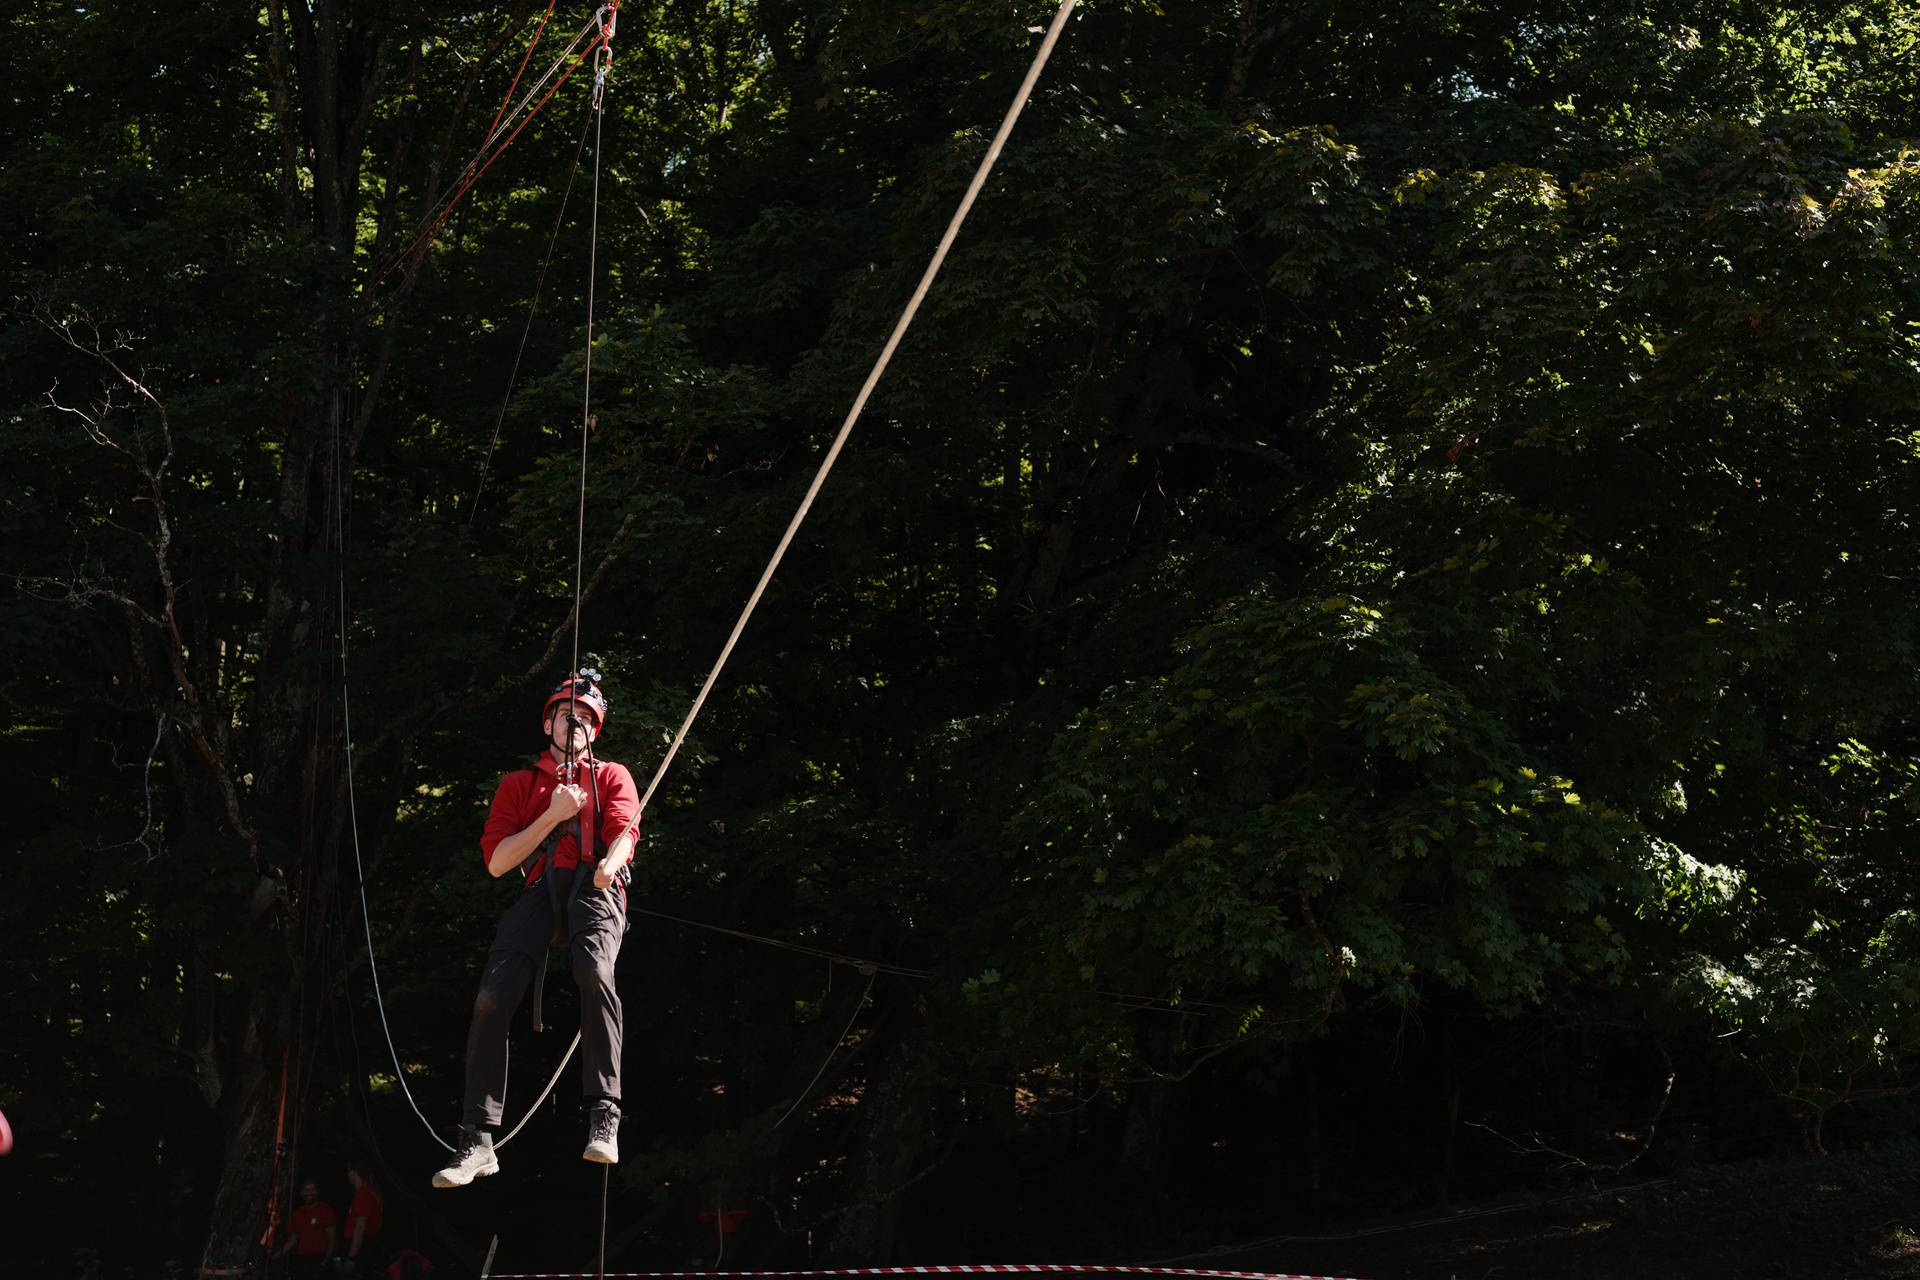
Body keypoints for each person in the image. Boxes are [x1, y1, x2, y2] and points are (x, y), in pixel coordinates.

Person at [432, 670, 640, 1187]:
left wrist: (611, 866)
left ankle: (603, 1113)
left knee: (594, 969)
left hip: (595, 885)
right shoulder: (520, 784)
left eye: (589, 719)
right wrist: (551, 817)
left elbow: (625, 832)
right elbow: (500, 862)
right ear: (549, 720)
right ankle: (478, 1139)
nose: (579, 724)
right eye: (571, 714)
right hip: (542, 889)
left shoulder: (611, 774)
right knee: (491, 996)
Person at [273, 1178, 336, 1280]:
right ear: (301, 1193)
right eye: (306, 1190)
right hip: (301, 1260)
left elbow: (332, 1239)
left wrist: (325, 1262)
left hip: (319, 1259)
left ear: (318, 1191)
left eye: (312, 1189)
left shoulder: (326, 1210)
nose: (309, 1193)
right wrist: (278, 1254)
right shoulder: (297, 1214)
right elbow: (293, 1239)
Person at [341, 1164, 384, 1276]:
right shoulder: (365, 1194)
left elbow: (360, 1228)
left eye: (348, 1172)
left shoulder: (364, 1195)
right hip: (363, 1248)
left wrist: (351, 1257)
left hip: (360, 1251)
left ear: (353, 1173)